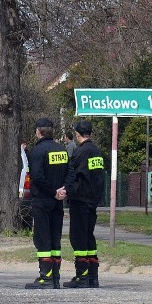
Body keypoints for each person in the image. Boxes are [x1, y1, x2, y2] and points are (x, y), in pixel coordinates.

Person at [60, 120, 105, 288]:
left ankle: (82, 276)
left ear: (77, 134)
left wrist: (66, 191)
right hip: (93, 201)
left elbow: (71, 174)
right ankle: (93, 276)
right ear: (91, 133)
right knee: (88, 236)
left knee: (78, 237)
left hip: (80, 200)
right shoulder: (97, 152)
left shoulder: (80, 153)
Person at [24, 118, 68, 289]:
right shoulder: (62, 150)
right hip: (58, 202)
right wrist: (63, 190)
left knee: (42, 239)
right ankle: (55, 277)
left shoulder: (37, 151)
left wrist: (52, 192)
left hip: (43, 200)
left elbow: (38, 177)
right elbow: (70, 173)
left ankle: (46, 277)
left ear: (38, 132)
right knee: (55, 238)